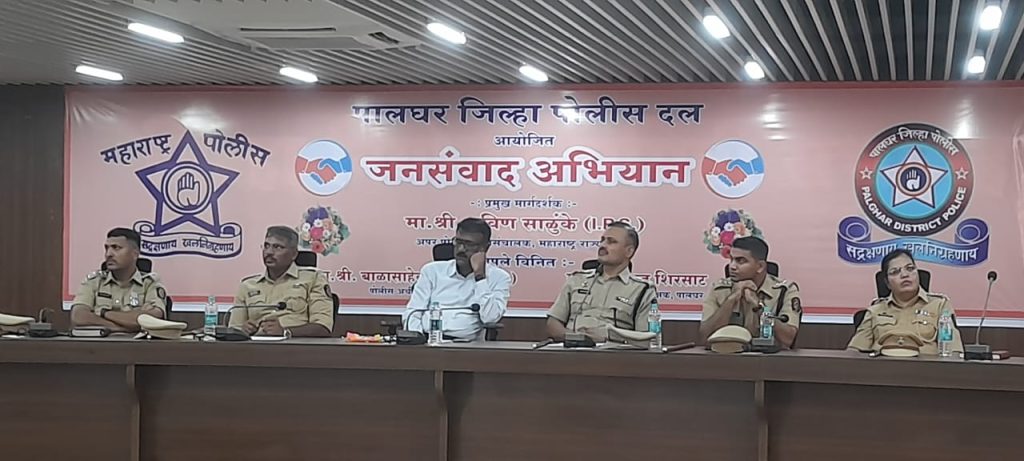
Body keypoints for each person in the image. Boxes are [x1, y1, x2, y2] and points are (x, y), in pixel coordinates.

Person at [546, 221, 657, 342]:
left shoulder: (642, 289)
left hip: (613, 351)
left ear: (629, 251)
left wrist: (608, 336)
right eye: (602, 240)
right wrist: (579, 339)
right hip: (572, 349)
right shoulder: (577, 280)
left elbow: (645, 337)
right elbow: (553, 323)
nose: (603, 245)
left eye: (611, 242)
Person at [403, 218, 510, 340]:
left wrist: (480, 277)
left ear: (485, 248)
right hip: (428, 341)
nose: (461, 249)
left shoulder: (499, 277)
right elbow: (413, 312)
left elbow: (490, 318)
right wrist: (417, 339)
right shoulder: (432, 271)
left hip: (467, 346)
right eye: (458, 242)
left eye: (469, 244)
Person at [848, 249, 964, 355]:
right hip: (883, 368)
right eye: (895, 272)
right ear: (887, 283)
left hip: (927, 368)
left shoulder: (939, 305)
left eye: (910, 268)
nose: (904, 275)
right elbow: (854, 352)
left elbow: (954, 351)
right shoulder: (875, 310)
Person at [229, 226, 334, 337]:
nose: (269, 252)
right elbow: (233, 330)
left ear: (294, 254)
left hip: (295, 345)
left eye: (277, 247)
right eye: (266, 246)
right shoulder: (247, 285)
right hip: (256, 345)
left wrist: (285, 332)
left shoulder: (313, 278)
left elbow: (323, 327)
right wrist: (243, 331)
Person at [699, 236, 801, 348]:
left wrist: (758, 306)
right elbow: (705, 337)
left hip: (769, 357)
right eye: (731, 259)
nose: (732, 266)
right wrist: (731, 299)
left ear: (760, 266)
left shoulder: (785, 290)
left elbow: (788, 339)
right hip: (727, 355)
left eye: (740, 261)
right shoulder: (719, 289)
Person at [70, 227, 167, 332]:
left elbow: (154, 319)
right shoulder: (94, 281)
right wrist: (122, 327)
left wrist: (103, 313)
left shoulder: (150, 283)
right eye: (107, 248)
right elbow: (78, 317)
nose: (108, 254)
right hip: (101, 342)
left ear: (135, 254)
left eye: (116, 248)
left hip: (136, 342)